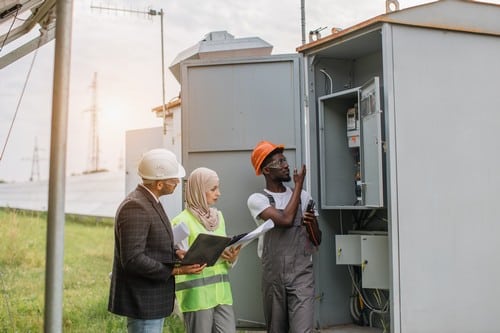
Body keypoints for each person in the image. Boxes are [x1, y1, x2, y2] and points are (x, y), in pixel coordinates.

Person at [108, 148, 206, 333]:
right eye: (173, 178)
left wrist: (176, 253)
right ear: (159, 184)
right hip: (144, 301)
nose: (178, 181)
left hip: (151, 299)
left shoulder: (151, 201)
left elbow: (150, 246)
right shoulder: (136, 206)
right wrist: (176, 269)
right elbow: (133, 260)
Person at [247, 140, 318, 333]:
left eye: (285, 160)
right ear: (266, 171)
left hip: (301, 275)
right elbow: (285, 219)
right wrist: (298, 185)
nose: (286, 165)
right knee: (276, 329)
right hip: (273, 276)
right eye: (279, 162)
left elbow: (318, 239)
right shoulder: (258, 200)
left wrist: (312, 224)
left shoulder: (303, 196)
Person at [171, 167, 242, 333]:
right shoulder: (181, 221)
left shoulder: (219, 218)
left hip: (222, 294)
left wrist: (231, 258)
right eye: (213, 189)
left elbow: (222, 258)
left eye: (218, 187)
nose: (219, 193)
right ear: (198, 190)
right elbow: (180, 261)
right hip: (197, 297)